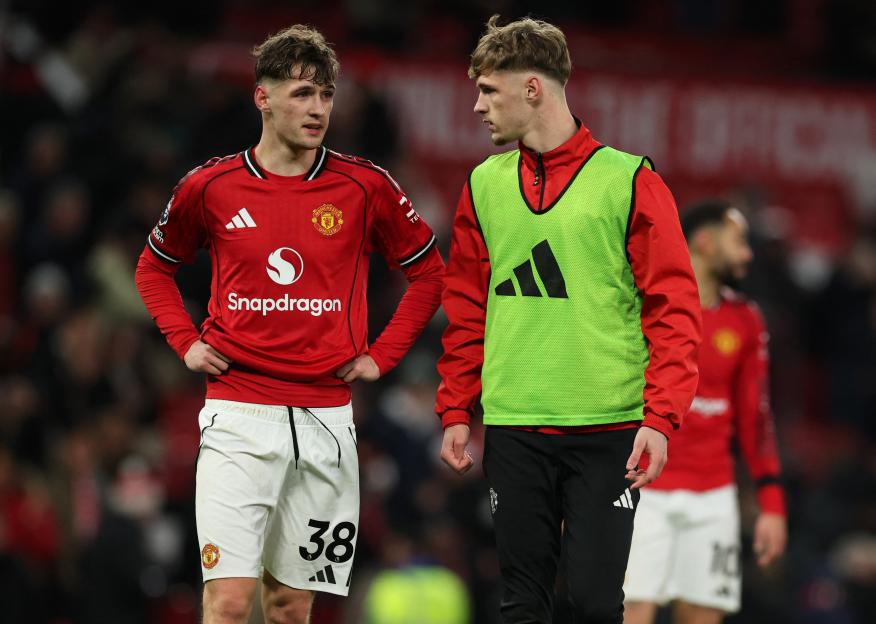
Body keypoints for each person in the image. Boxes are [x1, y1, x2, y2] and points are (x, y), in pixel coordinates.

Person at [134, 25, 444, 624]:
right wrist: (186, 343)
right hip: (237, 419)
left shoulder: (365, 186)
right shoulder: (211, 186)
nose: (318, 108)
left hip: (328, 423)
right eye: (302, 93)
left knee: (291, 606)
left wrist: (383, 355)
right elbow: (153, 268)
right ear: (263, 98)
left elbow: (430, 274)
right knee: (227, 602)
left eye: (326, 94)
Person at [435, 15, 701, 624]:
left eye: (487, 90)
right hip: (514, 423)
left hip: (607, 428)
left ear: (533, 88)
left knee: (591, 603)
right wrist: (456, 407)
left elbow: (675, 309)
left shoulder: (630, 180)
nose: (477, 107)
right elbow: (467, 307)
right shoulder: (481, 185)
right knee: (521, 603)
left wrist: (660, 418)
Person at [624, 199, 788, 624]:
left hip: (714, 497)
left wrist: (771, 502)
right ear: (704, 241)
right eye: (739, 241)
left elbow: (757, 418)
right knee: (630, 611)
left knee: (702, 615)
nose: (748, 254)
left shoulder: (746, 320)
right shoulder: (642, 308)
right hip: (642, 489)